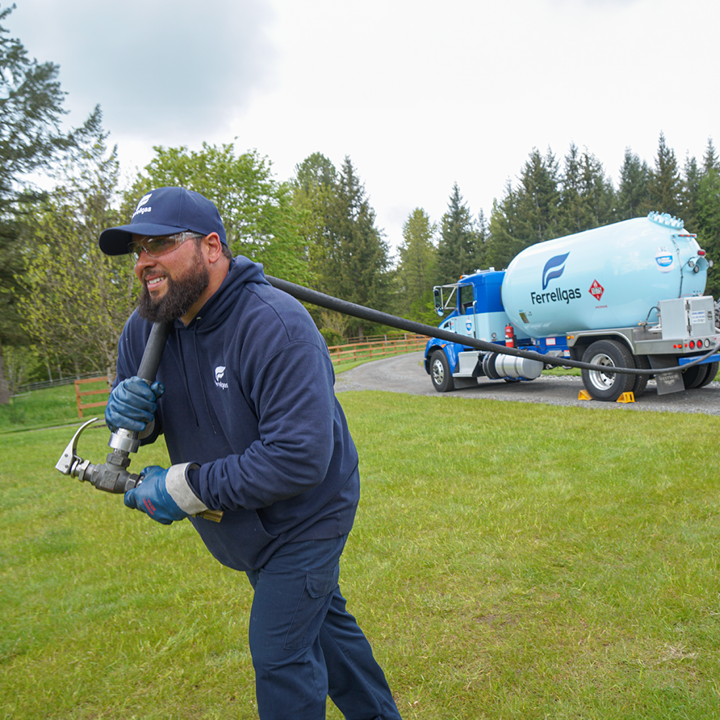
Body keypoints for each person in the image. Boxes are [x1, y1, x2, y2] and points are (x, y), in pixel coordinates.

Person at [99, 186, 402, 720]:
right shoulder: (143, 329)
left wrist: (182, 487)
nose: (144, 261)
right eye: (138, 250)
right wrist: (134, 420)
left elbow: (297, 458)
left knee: (280, 654)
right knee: (326, 632)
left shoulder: (275, 325)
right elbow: (146, 418)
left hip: (307, 513)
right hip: (241, 522)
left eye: (161, 243)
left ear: (212, 247)